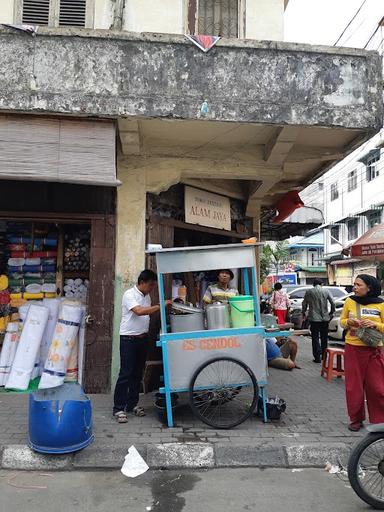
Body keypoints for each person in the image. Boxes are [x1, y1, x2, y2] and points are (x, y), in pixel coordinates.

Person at [113, 269, 172, 423]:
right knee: (125, 373)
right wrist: (159, 306)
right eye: (151, 285)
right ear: (142, 282)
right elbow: (139, 311)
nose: (152, 288)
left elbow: (147, 311)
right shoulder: (129, 295)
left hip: (142, 338)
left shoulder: (146, 295)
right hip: (128, 339)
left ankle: (132, 404)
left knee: (137, 374)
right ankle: (118, 408)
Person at [340, 274, 384, 431]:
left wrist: (375, 324)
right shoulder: (350, 301)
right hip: (353, 348)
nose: (355, 288)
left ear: (369, 287)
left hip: (374, 349)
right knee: (354, 387)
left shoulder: (381, 304)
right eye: (354, 284)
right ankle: (356, 420)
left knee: (377, 387)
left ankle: (380, 420)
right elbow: (342, 321)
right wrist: (349, 322)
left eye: (358, 285)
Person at [302, 279, 335, 363]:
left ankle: (317, 357)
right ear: (321, 284)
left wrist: (304, 312)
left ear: (313, 284)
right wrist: (331, 312)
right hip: (325, 318)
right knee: (324, 337)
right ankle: (324, 356)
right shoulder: (326, 291)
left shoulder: (309, 292)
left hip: (314, 318)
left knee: (315, 337)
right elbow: (333, 303)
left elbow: (304, 303)